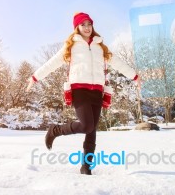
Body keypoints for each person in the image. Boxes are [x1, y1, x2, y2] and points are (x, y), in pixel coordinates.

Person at [26, 12, 140, 175]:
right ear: (77, 28)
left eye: (89, 24)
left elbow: (117, 62)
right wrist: (35, 77)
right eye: (83, 24)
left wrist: (134, 76)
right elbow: (53, 63)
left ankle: (86, 167)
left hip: (97, 92)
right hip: (79, 90)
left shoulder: (100, 45)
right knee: (86, 125)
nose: (87, 27)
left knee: (92, 130)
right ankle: (55, 130)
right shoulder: (71, 46)